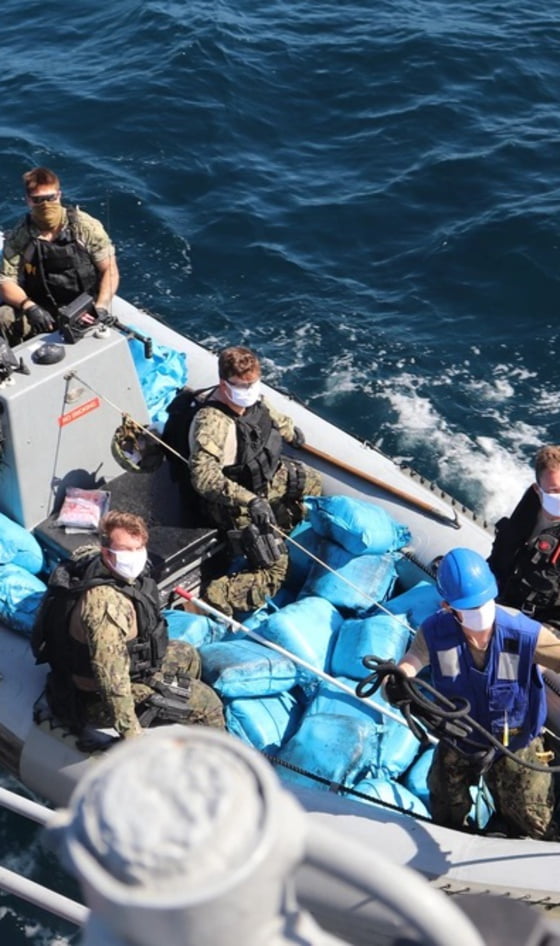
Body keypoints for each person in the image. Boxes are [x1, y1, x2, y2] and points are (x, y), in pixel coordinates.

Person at [389, 547, 560, 840]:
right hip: (462, 737)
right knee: (444, 798)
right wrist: (397, 679)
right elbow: (413, 660)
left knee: (535, 818)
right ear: (448, 607)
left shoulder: (523, 632)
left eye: (485, 603)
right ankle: (453, 837)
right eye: (470, 608)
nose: (480, 613)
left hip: (515, 742)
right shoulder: (434, 633)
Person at [32, 510, 225, 741]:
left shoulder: (99, 563)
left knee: (187, 654)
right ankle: (216, 755)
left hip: (131, 666)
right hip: (94, 698)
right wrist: (132, 735)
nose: (134, 557)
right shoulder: (106, 606)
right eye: (125, 550)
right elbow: (112, 681)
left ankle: (179, 709)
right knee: (208, 704)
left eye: (138, 548)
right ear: (106, 552)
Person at [187, 345, 322, 615]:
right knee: (276, 568)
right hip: (235, 500)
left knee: (311, 481)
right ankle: (213, 597)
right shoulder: (212, 422)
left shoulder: (253, 398)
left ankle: (287, 526)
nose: (249, 390)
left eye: (253, 383)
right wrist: (250, 501)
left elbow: (271, 416)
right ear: (224, 385)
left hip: (266, 478)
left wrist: (290, 432)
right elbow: (203, 477)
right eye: (241, 385)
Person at [0, 166, 119, 345]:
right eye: (38, 200)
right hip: (42, 308)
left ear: (59, 195)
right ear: (28, 200)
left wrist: (100, 307)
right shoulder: (21, 235)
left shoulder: (84, 227)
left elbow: (109, 269)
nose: (46, 205)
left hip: (84, 308)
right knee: (4, 317)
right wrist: (29, 307)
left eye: (51, 198)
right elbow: (6, 281)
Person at [488, 445, 560, 631]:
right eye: (554, 491)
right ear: (538, 490)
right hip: (498, 602)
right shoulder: (525, 515)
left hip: (540, 626)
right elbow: (497, 560)